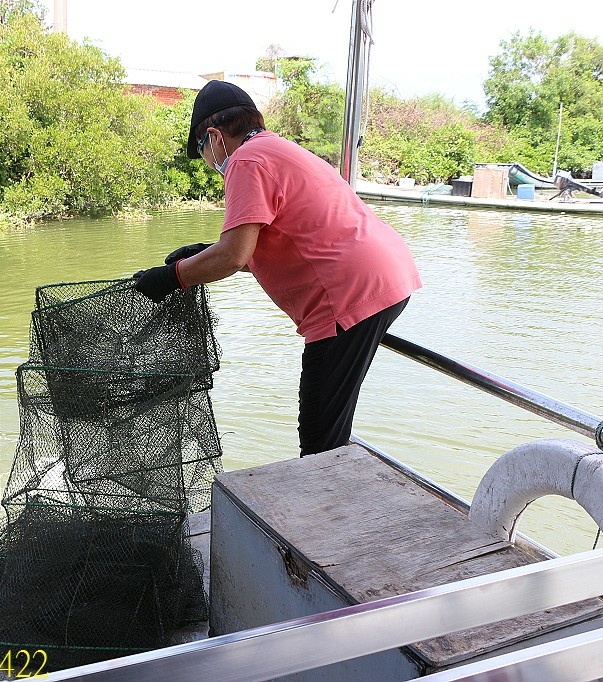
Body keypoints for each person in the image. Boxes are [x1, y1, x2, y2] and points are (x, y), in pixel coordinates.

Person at [133, 80, 421, 457]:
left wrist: (172, 277)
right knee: (329, 422)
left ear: (215, 136)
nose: (206, 158)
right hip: (387, 277)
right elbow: (269, 248)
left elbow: (233, 256)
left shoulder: (245, 160)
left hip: (348, 294)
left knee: (320, 441)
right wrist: (203, 253)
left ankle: (323, 512)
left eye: (201, 148)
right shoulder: (277, 148)